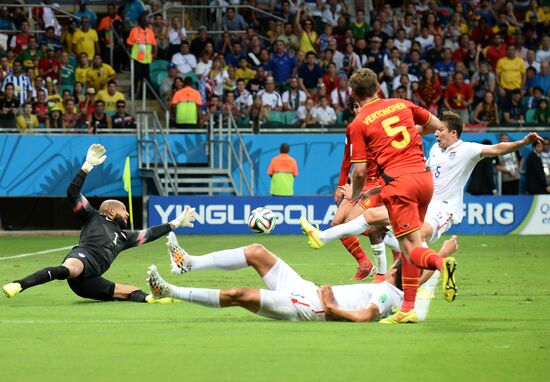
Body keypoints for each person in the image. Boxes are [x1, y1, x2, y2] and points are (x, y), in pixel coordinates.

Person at [302, 67, 454, 324]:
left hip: (399, 184)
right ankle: (407, 308)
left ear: (353, 93)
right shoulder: (400, 103)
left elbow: (359, 170)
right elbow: (436, 125)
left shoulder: (358, 123)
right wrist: (409, 138)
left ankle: (441, 263)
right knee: (407, 245)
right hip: (424, 180)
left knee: (410, 248)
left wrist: (355, 195)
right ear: (378, 88)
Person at [2, 144, 196, 303]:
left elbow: (151, 233)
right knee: (72, 269)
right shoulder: (92, 216)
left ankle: (155, 299)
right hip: (82, 257)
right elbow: (72, 194)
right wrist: (86, 166)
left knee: (129, 291)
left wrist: (175, 223)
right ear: (111, 211)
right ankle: (18, 285)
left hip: (91, 282)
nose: (127, 214)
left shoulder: (124, 237)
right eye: (123, 210)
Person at [146, 233, 455, 322]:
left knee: (239, 295)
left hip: (309, 307)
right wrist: (441, 253)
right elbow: (419, 274)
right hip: (307, 289)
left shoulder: (388, 294)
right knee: (257, 251)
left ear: (395, 271)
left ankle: (169, 290)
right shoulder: (398, 285)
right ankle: (189, 263)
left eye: (398, 262)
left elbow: (363, 317)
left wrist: (333, 308)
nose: (397, 259)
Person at [126, 15, 157, 96]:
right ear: (139, 22)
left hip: (147, 59)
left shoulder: (150, 31)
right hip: (137, 58)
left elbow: (154, 44)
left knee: (147, 77)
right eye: (143, 20)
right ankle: (132, 92)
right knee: (137, 76)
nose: (145, 22)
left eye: (146, 20)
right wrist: (129, 55)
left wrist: (154, 55)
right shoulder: (134, 30)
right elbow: (129, 44)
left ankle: (146, 94)